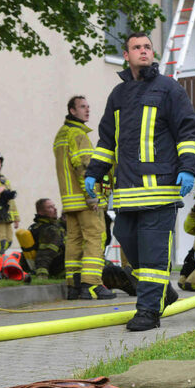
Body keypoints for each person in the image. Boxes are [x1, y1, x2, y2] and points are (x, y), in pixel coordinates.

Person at [84, 31, 195, 331]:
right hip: (127, 192)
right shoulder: (118, 95)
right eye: (137, 47)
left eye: (148, 47)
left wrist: (187, 168)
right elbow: (107, 140)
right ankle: (163, 291)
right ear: (126, 55)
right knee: (127, 239)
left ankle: (148, 311)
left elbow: (188, 131)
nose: (144, 51)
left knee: (152, 250)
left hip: (160, 188)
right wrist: (94, 172)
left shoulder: (169, 89)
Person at [54, 95, 115, 300]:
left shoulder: (61, 134)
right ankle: (91, 285)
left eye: (88, 106)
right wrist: (92, 195)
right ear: (72, 111)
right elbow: (83, 167)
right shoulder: (78, 134)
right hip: (86, 199)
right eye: (82, 107)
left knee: (74, 240)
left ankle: (73, 286)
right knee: (95, 238)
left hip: (70, 201)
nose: (87, 110)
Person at [30, 198, 67, 278]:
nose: (55, 209)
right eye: (50, 207)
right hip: (58, 269)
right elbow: (45, 254)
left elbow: (61, 223)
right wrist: (42, 275)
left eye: (54, 206)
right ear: (41, 212)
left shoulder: (42, 225)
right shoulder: (50, 230)